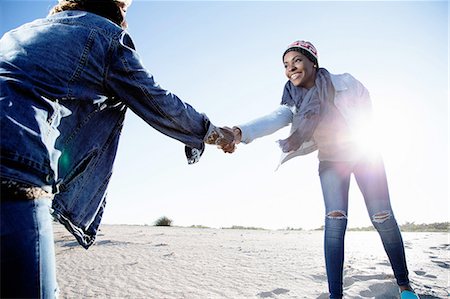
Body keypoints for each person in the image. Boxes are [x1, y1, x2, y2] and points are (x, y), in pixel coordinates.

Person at [0, 0, 234, 297]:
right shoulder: (106, 35)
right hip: (14, 157)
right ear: (117, 10)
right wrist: (213, 133)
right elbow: (155, 100)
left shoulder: (18, 32)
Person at [223, 40, 419, 299]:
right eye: (285, 65)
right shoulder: (294, 102)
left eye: (296, 61)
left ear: (312, 62)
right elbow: (274, 118)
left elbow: (366, 110)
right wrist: (239, 133)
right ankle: (335, 295)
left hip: (365, 155)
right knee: (335, 222)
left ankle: (404, 285)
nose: (290, 68)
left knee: (382, 216)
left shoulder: (345, 82)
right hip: (331, 162)